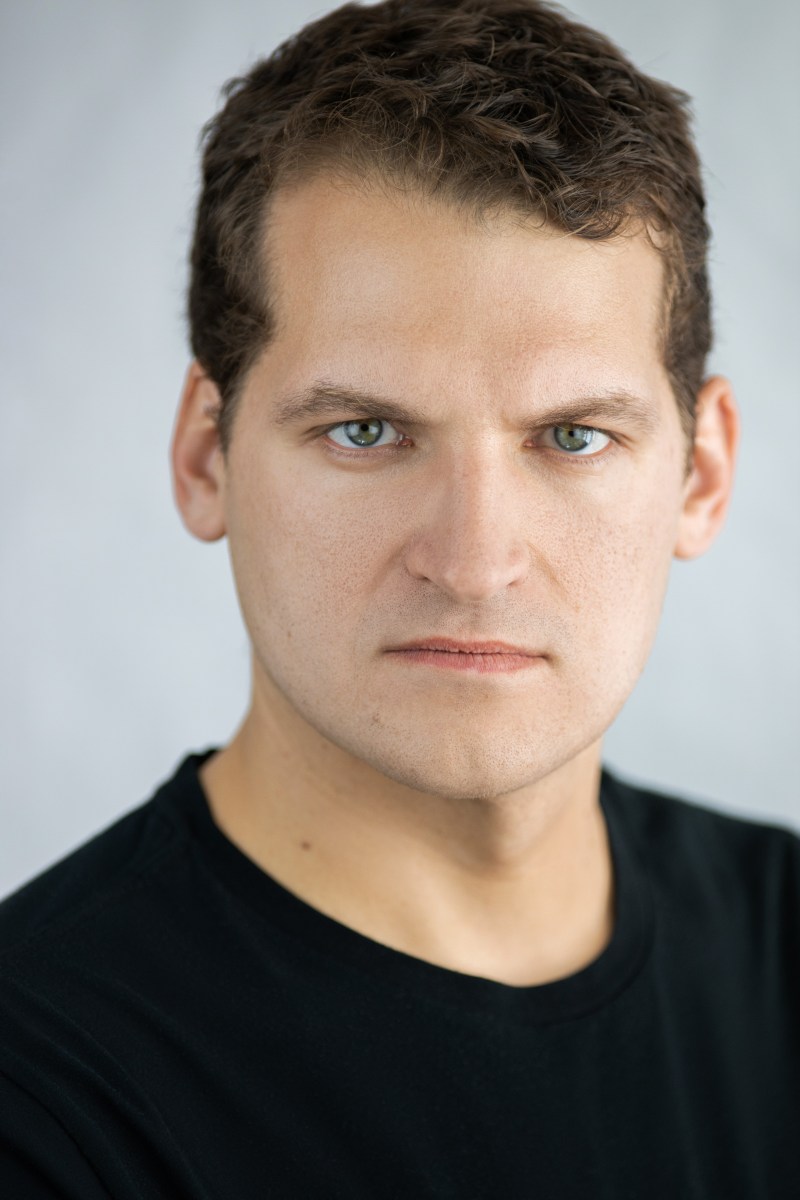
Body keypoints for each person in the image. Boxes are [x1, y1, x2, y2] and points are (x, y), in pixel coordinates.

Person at [1, 0, 798, 1194]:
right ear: (206, 457)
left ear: (701, 474)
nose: (472, 562)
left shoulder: (782, 940)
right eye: (365, 431)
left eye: (571, 436)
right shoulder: (40, 1096)